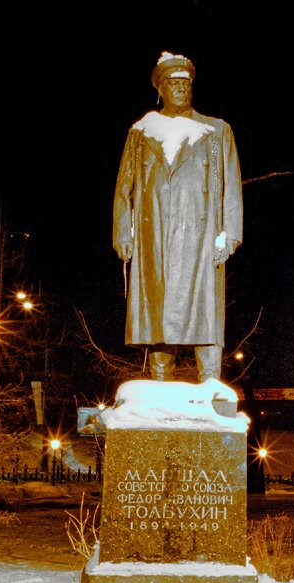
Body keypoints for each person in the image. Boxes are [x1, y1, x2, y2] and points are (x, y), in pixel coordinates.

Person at [112, 52, 243, 382]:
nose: (181, 89)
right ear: (161, 89)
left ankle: (212, 385)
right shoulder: (141, 133)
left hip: (201, 237)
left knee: (206, 313)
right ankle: (160, 386)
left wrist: (230, 234)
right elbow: (123, 187)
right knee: (157, 310)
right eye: (173, 83)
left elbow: (231, 186)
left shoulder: (216, 130)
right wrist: (123, 232)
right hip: (153, 235)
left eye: (186, 83)